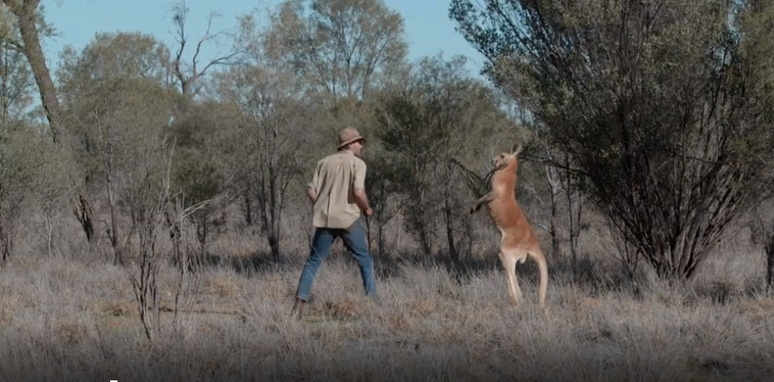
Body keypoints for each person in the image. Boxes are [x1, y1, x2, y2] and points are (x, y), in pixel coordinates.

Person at [291, 127, 376, 319]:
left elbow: (311, 189)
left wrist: (320, 205)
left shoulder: (323, 162)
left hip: (325, 219)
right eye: (358, 142)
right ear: (349, 144)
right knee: (364, 260)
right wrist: (367, 208)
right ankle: (373, 303)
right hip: (348, 219)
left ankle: (299, 305)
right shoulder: (358, 164)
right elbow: (359, 192)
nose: (361, 145)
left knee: (313, 262)